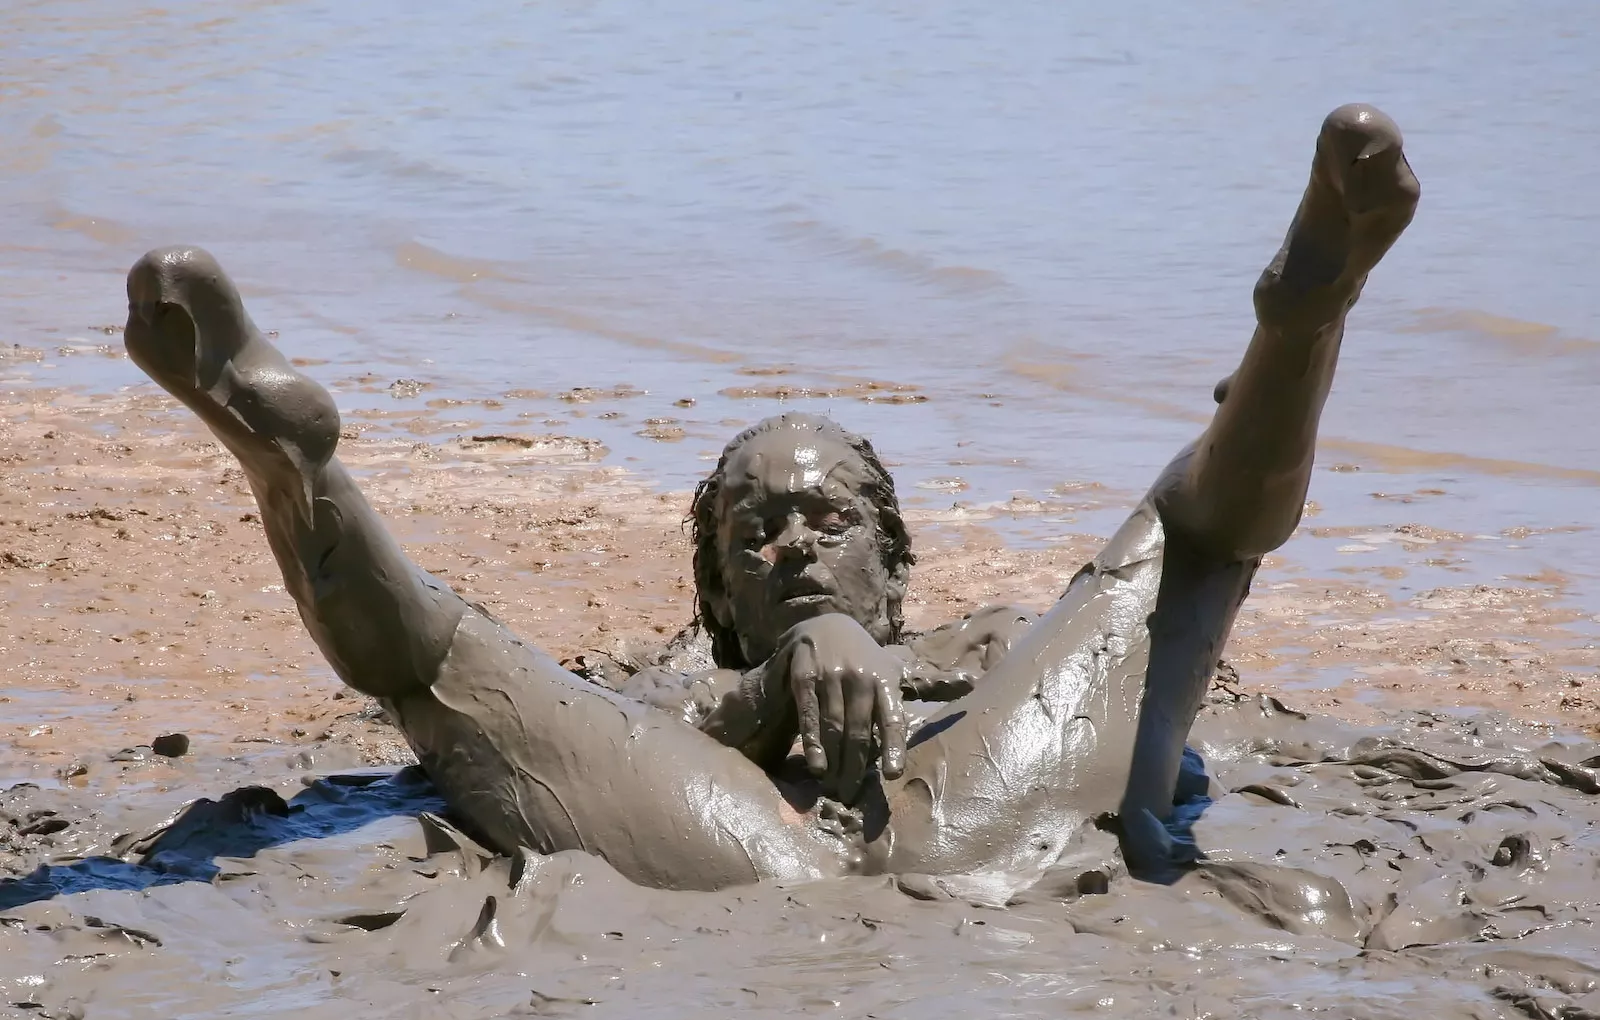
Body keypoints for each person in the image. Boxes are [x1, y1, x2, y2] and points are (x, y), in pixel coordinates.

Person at [120, 104, 1419, 893]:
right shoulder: (682, 677)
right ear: (717, 589)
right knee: (439, 660)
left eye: (828, 518)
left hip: (974, 800)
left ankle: (1300, 320)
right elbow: (617, 731)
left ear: (896, 563)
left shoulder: (986, 646)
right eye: (754, 531)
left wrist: (862, 655)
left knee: (1181, 554)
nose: (792, 538)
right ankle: (293, 465)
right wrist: (782, 667)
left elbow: (1142, 623)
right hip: (731, 836)